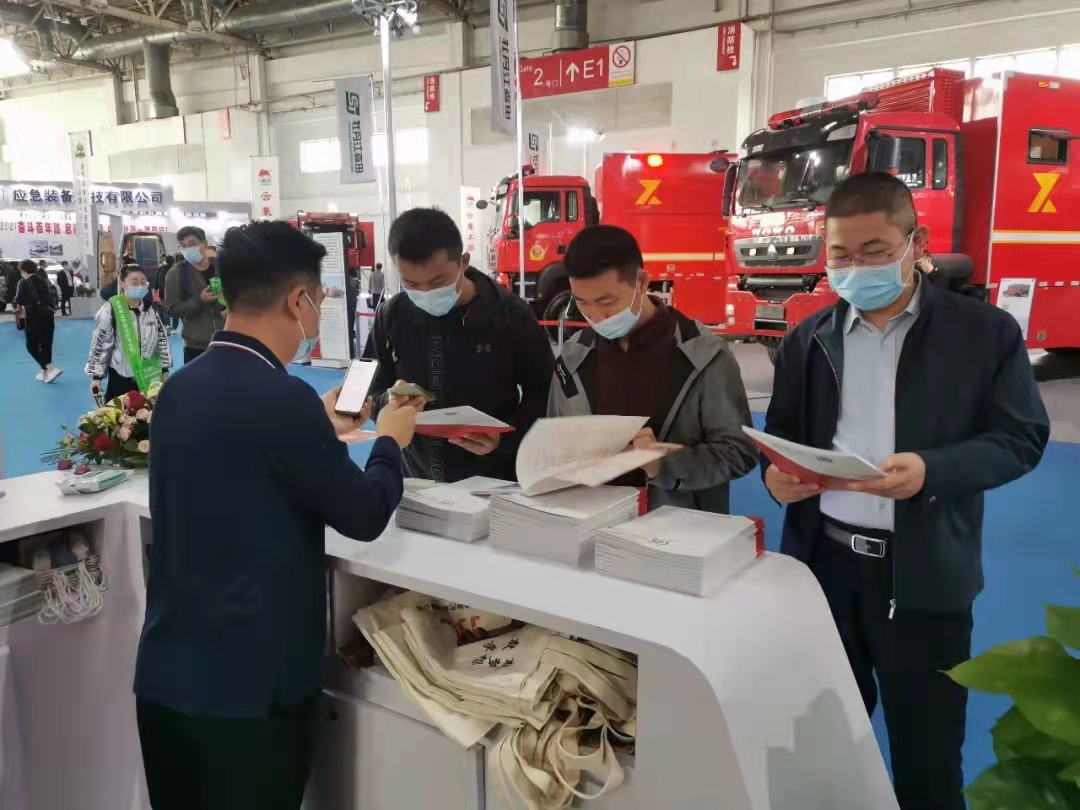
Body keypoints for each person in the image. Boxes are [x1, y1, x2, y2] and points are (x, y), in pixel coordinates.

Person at [761, 173, 1049, 810]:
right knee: (825, 741)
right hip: (824, 570)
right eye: (841, 254)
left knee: (927, 755)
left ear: (916, 243)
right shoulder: (809, 338)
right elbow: (781, 435)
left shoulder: (983, 333)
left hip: (923, 576)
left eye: (874, 252)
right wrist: (776, 478)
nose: (855, 269)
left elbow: (1021, 438)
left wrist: (931, 470)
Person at [136, 220, 419, 810]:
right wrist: (390, 441)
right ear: (297, 300)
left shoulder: (182, 387)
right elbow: (364, 513)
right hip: (252, 689)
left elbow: (242, 457)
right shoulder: (281, 397)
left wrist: (315, 426)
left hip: (168, 677)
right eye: (319, 299)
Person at [548, 225, 757, 512]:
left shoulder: (705, 355)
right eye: (582, 303)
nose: (596, 316)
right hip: (590, 521)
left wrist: (664, 464)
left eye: (607, 302)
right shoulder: (574, 357)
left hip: (675, 528)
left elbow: (740, 453)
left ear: (642, 282)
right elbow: (555, 440)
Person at [365, 207, 553, 483]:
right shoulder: (392, 315)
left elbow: (544, 393)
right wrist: (388, 401)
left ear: (463, 262)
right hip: (415, 482)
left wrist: (506, 438)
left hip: (493, 481)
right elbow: (369, 390)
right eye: (411, 283)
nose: (426, 293)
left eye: (438, 281)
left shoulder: (510, 314)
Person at [86, 264, 172, 403]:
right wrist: (96, 378)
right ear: (122, 283)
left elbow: (162, 340)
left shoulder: (151, 310)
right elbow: (100, 343)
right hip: (121, 377)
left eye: (143, 281)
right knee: (120, 413)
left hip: (149, 376)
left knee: (148, 412)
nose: (140, 285)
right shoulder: (112, 308)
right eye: (134, 281)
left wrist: (164, 370)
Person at [164, 226, 226, 364]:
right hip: (196, 346)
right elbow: (172, 310)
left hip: (226, 341)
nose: (188, 249)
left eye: (192, 244)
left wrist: (230, 310)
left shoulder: (222, 267)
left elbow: (237, 296)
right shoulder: (176, 273)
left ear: (204, 244)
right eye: (183, 246)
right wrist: (200, 300)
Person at [14, 259, 62, 383]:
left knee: (31, 346)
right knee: (46, 344)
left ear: (24, 271)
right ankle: (44, 370)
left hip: (34, 317)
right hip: (48, 315)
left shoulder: (23, 282)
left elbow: (19, 300)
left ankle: (50, 368)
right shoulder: (44, 281)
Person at [346, 267, 359, 359]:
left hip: (347, 308)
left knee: (348, 330)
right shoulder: (354, 283)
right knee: (350, 329)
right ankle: (351, 352)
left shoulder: (345, 282)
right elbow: (355, 295)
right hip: (352, 308)